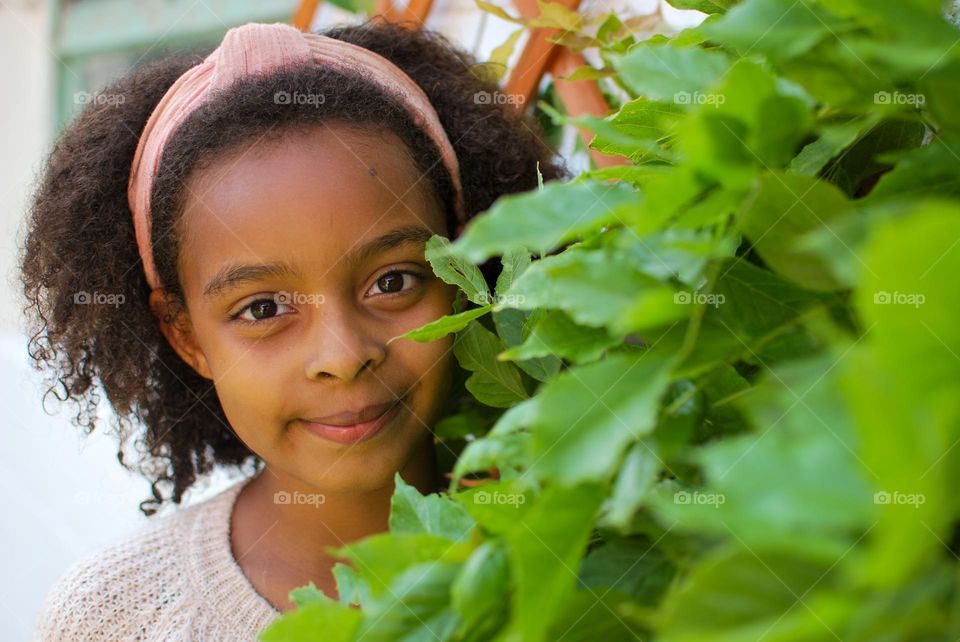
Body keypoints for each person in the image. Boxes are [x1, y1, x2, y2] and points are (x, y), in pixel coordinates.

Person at [21, 17, 568, 641]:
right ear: (187, 337)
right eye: (262, 309)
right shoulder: (114, 619)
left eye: (392, 281)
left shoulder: (593, 543)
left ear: (466, 271)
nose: (342, 355)